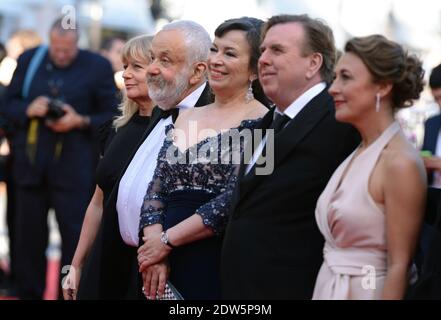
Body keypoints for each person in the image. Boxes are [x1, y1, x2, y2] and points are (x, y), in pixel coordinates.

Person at [220, 14, 360, 300]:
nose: (264, 59)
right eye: (263, 51)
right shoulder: (268, 122)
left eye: (278, 50)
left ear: (313, 63)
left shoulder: (341, 121)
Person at [75, 20, 214, 300]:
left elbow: (214, 206)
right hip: (114, 257)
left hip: (164, 271)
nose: (149, 70)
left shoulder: (214, 122)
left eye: (163, 60)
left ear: (198, 71)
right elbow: (112, 198)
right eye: (151, 60)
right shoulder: (158, 115)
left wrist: (160, 244)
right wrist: (76, 264)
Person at [137, 17, 269, 300]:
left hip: (216, 257)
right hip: (161, 263)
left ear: (255, 70)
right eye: (214, 50)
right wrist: (154, 251)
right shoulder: (186, 115)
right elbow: (156, 186)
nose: (216, 60)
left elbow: (235, 199)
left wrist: (166, 241)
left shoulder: (266, 123)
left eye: (230, 53)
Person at [1, 17, 118, 299]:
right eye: (56, 48)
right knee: (28, 241)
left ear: (78, 44)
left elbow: (113, 116)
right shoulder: (30, 59)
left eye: (67, 49)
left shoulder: (97, 66)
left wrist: (80, 120)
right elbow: (7, 105)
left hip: (75, 171)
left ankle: (71, 293)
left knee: (75, 241)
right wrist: (30, 109)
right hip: (31, 168)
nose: (61, 54)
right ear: (49, 40)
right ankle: (29, 292)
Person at [312, 34, 426, 300]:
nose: (332, 88)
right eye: (336, 76)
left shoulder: (399, 163)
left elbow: (399, 266)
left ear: (383, 87)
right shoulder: (360, 150)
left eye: (346, 77)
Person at [61, 35, 154, 300]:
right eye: (125, 66)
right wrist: (77, 264)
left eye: (136, 66)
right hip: (104, 255)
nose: (125, 74)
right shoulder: (117, 128)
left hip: (143, 263)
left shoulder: (174, 130)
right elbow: (97, 203)